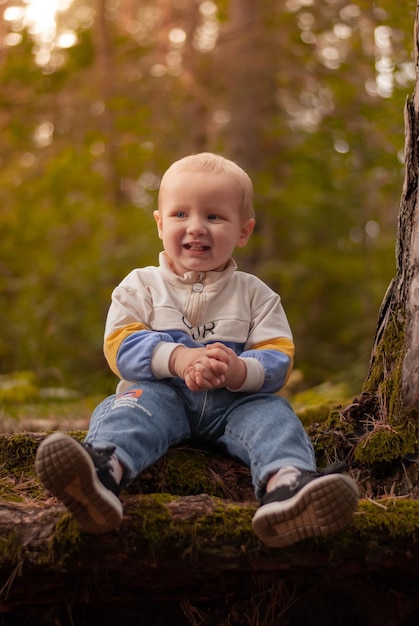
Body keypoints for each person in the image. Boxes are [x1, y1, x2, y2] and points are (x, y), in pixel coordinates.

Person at [35, 152, 359, 548]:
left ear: (244, 231)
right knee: (128, 410)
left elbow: (278, 357)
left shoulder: (257, 295)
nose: (196, 227)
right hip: (163, 393)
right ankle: (101, 473)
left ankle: (287, 488)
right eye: (180, 215)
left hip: (236, 404)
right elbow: (120, 344)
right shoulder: (141, 286)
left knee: (275, 417)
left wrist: (239, 370)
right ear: (159, 224)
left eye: (214, 217)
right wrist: (179, 358)